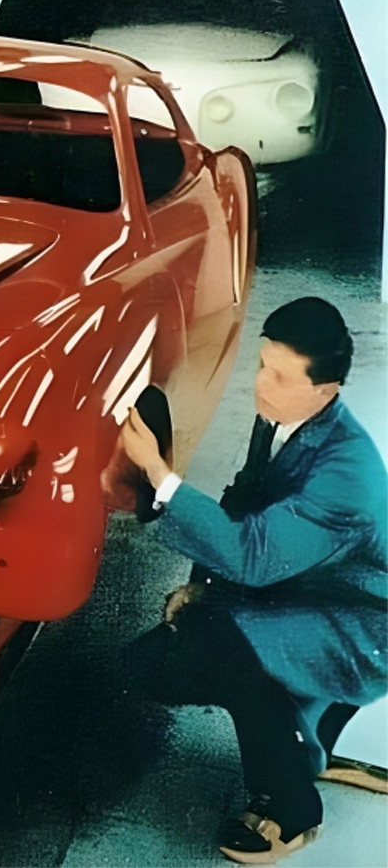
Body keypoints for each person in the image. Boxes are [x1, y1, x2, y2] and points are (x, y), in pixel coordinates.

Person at [119, 297, 387, 864]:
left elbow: (256, 556)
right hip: (320, 592)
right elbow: (244, 502)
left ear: (327, 389)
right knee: (169, 654)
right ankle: (312, 746)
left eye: (280, 376)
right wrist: (199, 589)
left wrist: (160, 477)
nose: (261, 385)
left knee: (211, 654)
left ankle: (292, 814)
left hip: (367, 628)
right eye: (262, 365)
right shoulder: (286, 417)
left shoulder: (348, 472)